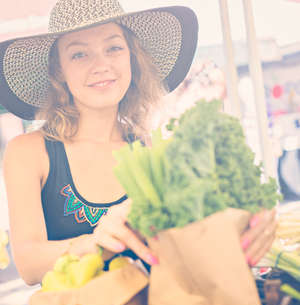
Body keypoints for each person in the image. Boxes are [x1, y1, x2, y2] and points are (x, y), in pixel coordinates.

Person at [1, 0, 276, 286]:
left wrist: (246, 219)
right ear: (59, 72)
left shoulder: (151, 151)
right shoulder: (30, 152)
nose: (101, 65)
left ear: (132, 57)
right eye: (79, 54)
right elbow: (29, 264)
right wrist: (97, 243)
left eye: (114, 48)